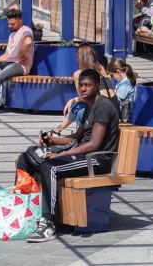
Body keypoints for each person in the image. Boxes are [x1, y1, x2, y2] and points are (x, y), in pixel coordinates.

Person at [16, 68, 119, 242]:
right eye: (81, 85)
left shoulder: (103, 107)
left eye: (88, 85)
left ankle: (48, 224)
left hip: (96, 160)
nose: (83, 89)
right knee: (26, 158)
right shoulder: (89, 106)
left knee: (49, 167)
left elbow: (93, 144)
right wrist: (52, 141)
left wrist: (62, 155)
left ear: (97, 85)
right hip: (82, 155)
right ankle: (22, 208)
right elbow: (77, 137)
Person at [49, 43, 120, 137]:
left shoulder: (79, 74)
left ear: (79, 58)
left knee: (80, 108)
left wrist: (72, 100)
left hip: (104, 110)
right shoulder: (101, 68)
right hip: (114, 106)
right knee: (81, 106)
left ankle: (69, 135)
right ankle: (57, 131)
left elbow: (84, 98)